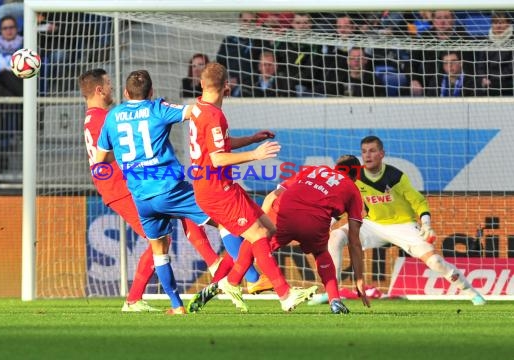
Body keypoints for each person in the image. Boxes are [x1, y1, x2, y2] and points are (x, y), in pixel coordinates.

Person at [81, 69, 223, 314]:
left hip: (130, 184)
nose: (112, 87)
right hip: (122, 186)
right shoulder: (103, 119)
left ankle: (214, 267)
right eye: (108, 83)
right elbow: (101, 159)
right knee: (162, 239)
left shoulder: (107, 116)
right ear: (99, 90)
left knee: (177, 219)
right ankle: (135, 298)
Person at [186, 62, 318, 313]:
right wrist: (255, 154)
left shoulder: (199, 109)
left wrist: (251, 139)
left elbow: (219, 145)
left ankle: (232, 281)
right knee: (257, 235)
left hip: (220, 185)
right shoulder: (215, 115)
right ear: (227, 87)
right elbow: (218, 158)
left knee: (268, 229)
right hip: (216, 189)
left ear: (202, 84)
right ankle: (285, 294)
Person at [325, 136, 486, 306]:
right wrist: (328, 223)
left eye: (372, 151)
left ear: (381, 154)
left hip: (403, 226)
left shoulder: (396, 176)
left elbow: (419, 201)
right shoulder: (356, 177)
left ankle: (472, 293)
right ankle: (333, 295)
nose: (367, 155)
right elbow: (344, 203)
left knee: (436, 262)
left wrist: (426, 223)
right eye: (364, 152)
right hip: (372, 224)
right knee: (335, 237)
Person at [261, 155, 371, 314]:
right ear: (357, 175)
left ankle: (231, 280)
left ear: (335, 168)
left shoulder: (314, 170)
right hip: (314, 224)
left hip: (285, 215)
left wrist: (260, 228)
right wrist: (359, 279)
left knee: (255, 244)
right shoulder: (352, 190)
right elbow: (354, 241)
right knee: (321, 253)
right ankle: (335, 300)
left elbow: (271, 196)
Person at [476, 11, 514, 96]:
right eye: (495, 22)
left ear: (509, 24)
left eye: (502, 22)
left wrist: (491, 78)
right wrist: (484, 78)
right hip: (489, 82)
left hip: (507, 81)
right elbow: (481, 65)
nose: (498, 26)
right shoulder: (486, 41)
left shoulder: (512, 40)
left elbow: (511, 68)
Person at [0, 15, 24, 96]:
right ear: (1, 31)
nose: (9, 30)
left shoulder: (25, 45)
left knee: (7, 75)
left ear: (17, 29)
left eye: (11, 27)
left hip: (19, 80)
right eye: (5, 28)